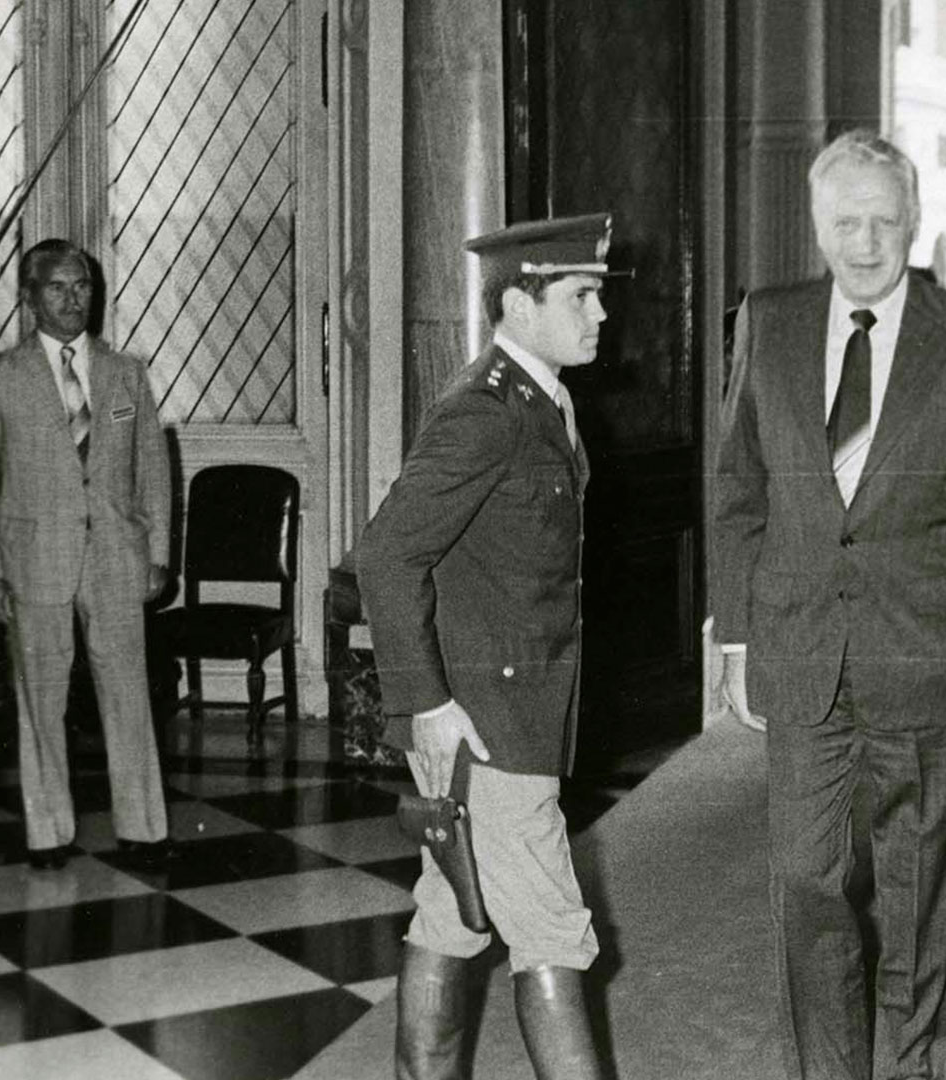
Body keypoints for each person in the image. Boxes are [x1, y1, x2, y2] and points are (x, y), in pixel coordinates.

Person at [711, 129, 946, 1080]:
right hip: (802, 656)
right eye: (843, 222)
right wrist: (735, 635)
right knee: (805, 883)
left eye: (882, 221)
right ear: (815, 226)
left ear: (913, 223)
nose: (864, 243)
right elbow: (739, 490)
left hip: (927, 660)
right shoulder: (768, 323)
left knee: (919, 904)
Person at [359, 213, 623, 1080]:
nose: (600, 315)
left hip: (504, 711)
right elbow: (388, 554)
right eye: (582, 295)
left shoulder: (540, 396)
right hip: (489, 723)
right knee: (553, 938)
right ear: (520, 300)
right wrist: (425, 705)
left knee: (453, 915)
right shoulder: (486, 413)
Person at [0, 239, 172, 870]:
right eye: (57, 286)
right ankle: (49, 832)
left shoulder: (125, 371)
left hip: (115, 555)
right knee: (40, 697)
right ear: (29, 298)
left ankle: (143, 828)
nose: (73, 298)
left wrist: (158, 550)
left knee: (128, 692)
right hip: (33, 558)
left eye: (82, 285)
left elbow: (154, 471)